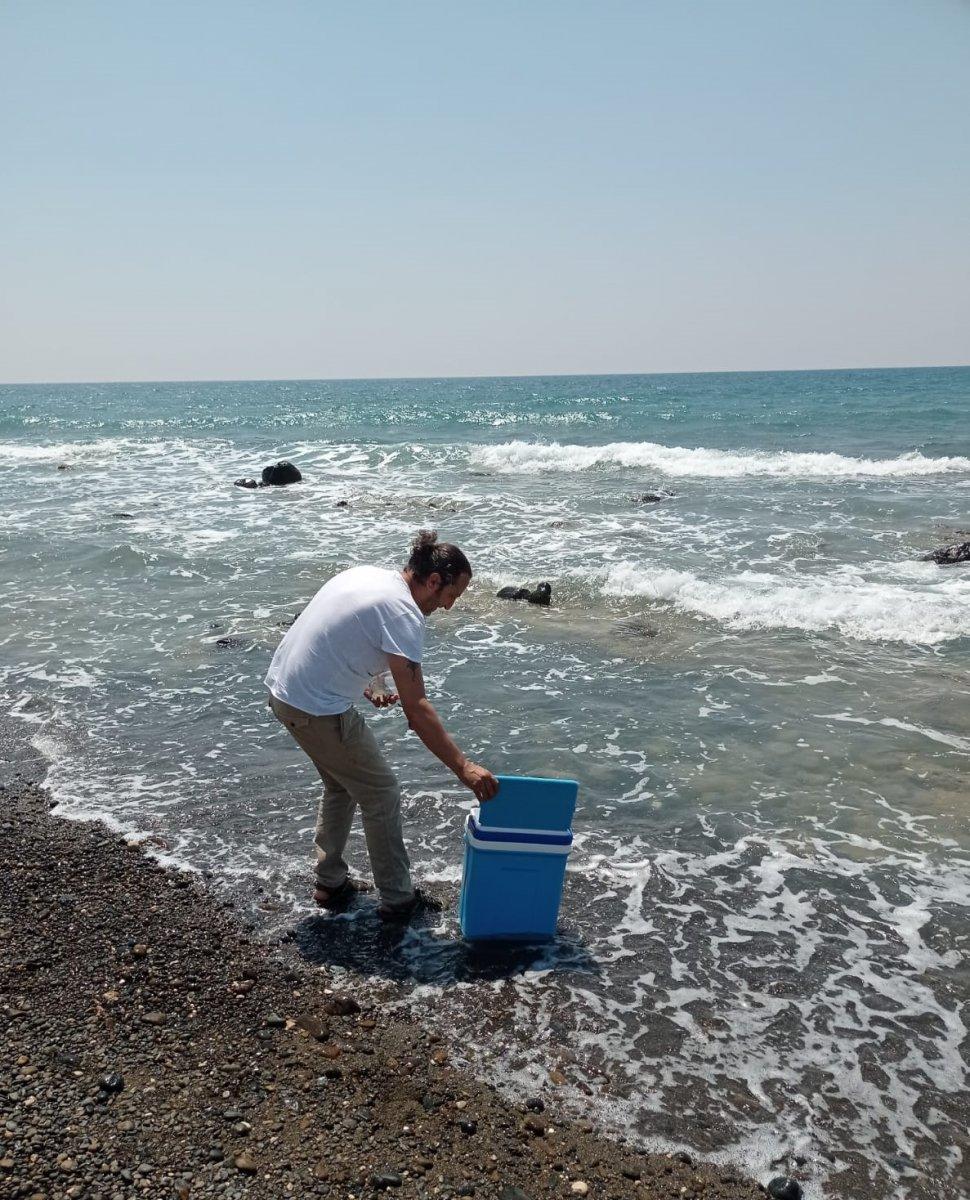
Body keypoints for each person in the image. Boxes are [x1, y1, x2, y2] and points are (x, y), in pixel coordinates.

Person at [265, 530, 500, 920]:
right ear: (434, 580)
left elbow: (341, 636)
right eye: (450, 596)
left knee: (342, 783)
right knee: (382, 793)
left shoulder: (370, 577)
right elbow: (417, 708)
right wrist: (464, 767)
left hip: (286, 692)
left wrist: (371, 684)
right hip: (315, 708)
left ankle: (330, 882)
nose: (448, 607)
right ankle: (398, 900)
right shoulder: (403, 612)